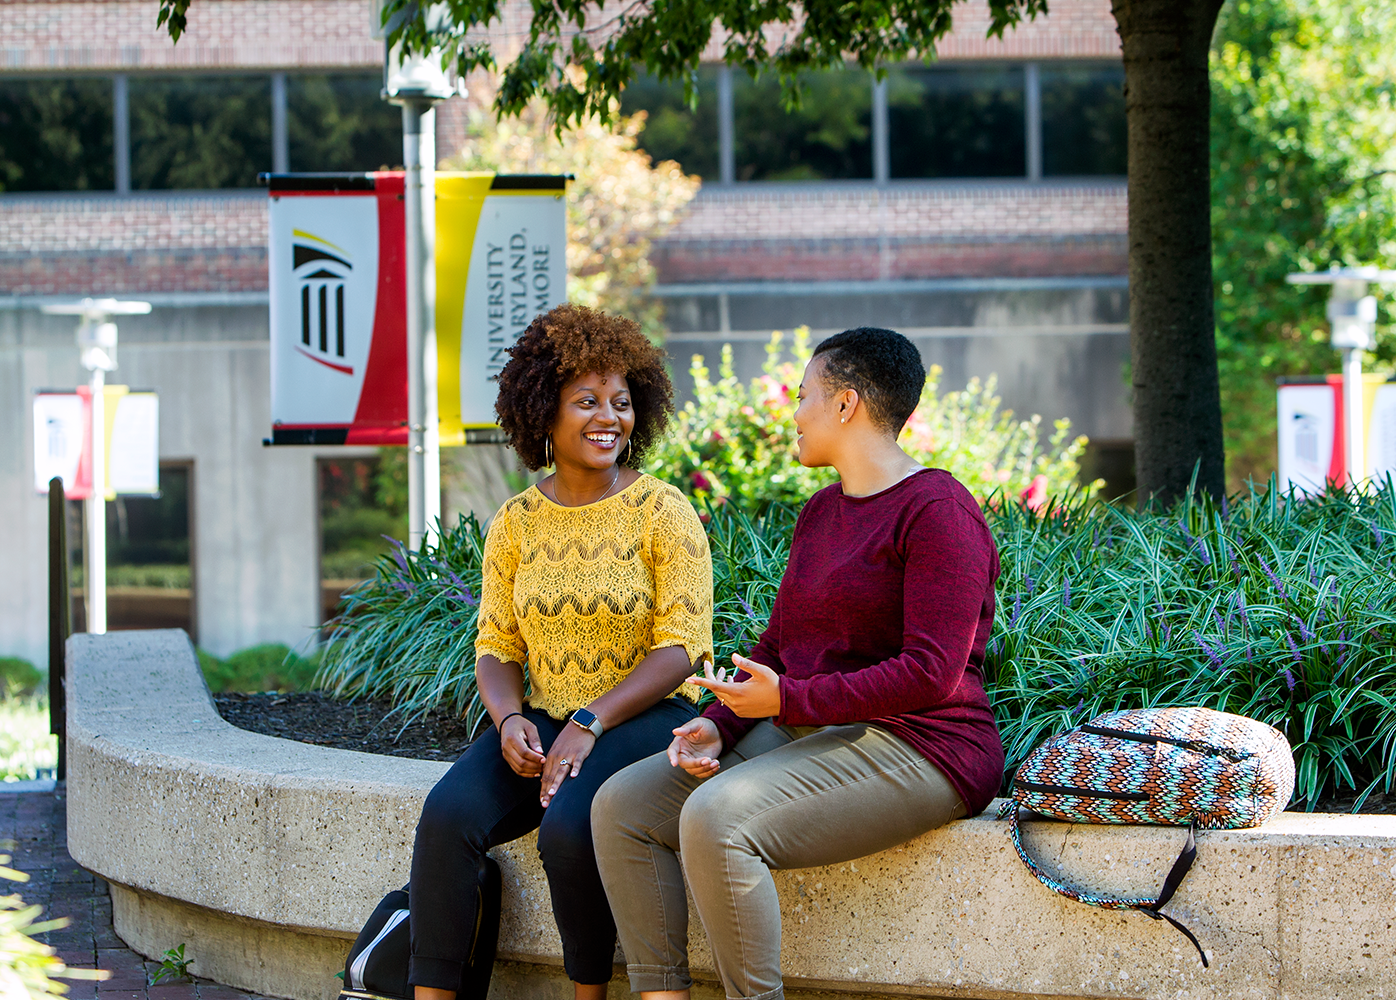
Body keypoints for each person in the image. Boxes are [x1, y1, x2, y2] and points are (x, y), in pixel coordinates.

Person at [591, 326, 1005, 1000]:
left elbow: (931, 672)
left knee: (718, 818)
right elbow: (780, 644)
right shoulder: (821, 512)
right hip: (814, 730)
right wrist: (721, 724)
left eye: (804, 395)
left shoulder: (938, 512)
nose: (794, 411)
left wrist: (788, 703)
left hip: (924, 743)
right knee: (622, 808)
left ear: (846, 405)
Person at [406, 304, 713, 1000]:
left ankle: (588, 994)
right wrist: (510, 718)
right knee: (448, 815)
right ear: (543, 412)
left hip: (645, 715)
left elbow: (683, 648)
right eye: (587, 401)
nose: (609, 417)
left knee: (569, 828)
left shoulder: (663, 511)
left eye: (622, 402)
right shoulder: (515, 522)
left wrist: (590, 721)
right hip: (545, 719)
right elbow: (495, 644)